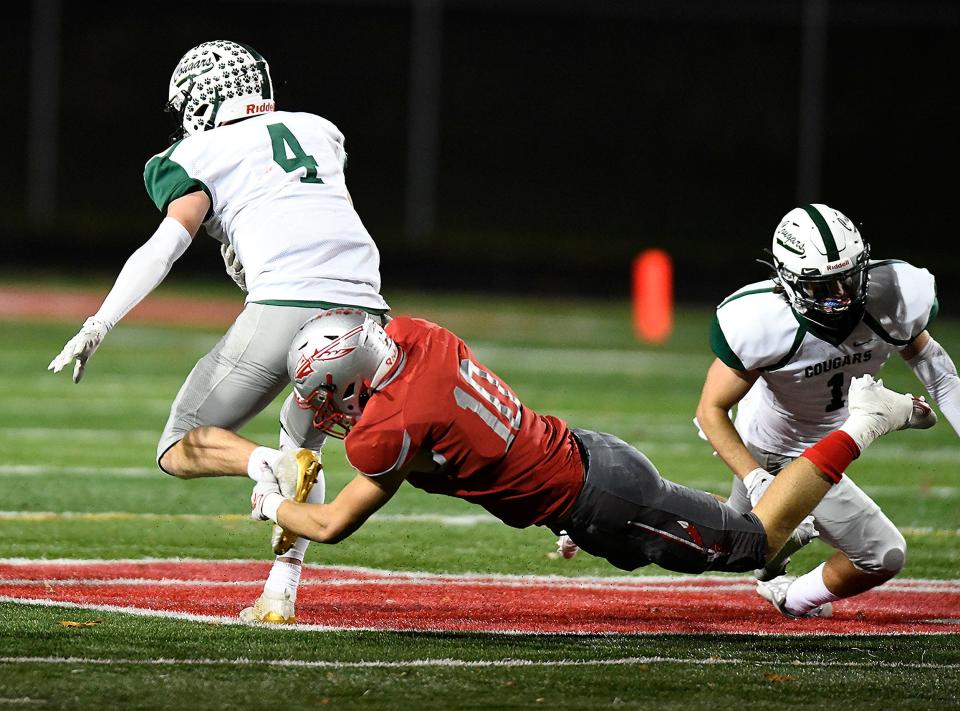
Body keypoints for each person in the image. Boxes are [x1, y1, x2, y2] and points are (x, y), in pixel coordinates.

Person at [235, 308, 934, 597]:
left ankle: (870, 418)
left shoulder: (384, 428)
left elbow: (328, 524)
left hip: (601, 494)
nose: (323, 408)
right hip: (585, 465)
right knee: (653, 551)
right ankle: (792, 516)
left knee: (749, 546)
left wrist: (268, 497)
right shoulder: (420, 336)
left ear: (355, 380)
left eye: (329, 392)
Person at [47, 40, 389, 624]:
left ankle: (260, 465)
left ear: (200, 99)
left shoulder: (194, 151)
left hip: (284, 302)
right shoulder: (317, 130)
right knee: (305, 447)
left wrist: (100, 320)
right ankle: (280, 597)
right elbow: (319, 211)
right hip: (367, 313)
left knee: (178, 448)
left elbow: (167, 244)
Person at [695, 203, 959, 618]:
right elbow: (711, 409)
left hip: (829, 445)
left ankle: (788, 589)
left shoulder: (893, 295)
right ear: (787, 280)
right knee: (881, 553)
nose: (841, 296)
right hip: (772, 448)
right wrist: (758, 477)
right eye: (823, 287)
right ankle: (615, 516)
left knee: (736, 539)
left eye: (849, 279)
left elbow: (941, 377)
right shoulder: (760, 321)